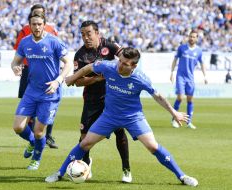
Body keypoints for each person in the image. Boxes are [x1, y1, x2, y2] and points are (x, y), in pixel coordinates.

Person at [45, 47, 198, 187]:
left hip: (133, 117)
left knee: (153, 146)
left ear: (134, 66)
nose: (120, 65)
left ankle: (182, 176)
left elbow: (157, 96)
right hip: (109, 116)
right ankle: (59, 173)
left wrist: (174, 113)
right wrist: (72, 78)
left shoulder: (140, 78)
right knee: (85, 143)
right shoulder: (109, 66)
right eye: (120, 61)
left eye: (125, 64)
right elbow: (89, 67)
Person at [72, 20, 131, 182]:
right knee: (84, 136)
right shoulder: (80, 55)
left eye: (89, 33)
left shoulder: (110, 46)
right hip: (91, 100)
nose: (86, 37)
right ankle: (85, 164)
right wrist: (97, 79)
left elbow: (125, 60)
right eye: (83, 34)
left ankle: (126, 169)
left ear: (97, 33)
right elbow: (77, 82)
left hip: (113, 98)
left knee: (120, 131)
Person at [11, 12, 71, 170]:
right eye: (34, 24)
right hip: (31, 91)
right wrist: (15, 68)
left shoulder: (54, 41)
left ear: (44, 25)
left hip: (50, 94)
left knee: (39, 132)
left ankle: (36, 158)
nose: (36, 27)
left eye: (39, 24)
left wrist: (58, 81)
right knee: (18, 127)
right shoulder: (25, 42)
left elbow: (68, 63)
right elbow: (15, 62)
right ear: (29, 25)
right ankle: (32, 143)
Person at [13, 4, 59, 149]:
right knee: (28, 107)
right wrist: (16, 66)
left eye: (41, 14)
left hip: (48, 74)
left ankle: (47, 136)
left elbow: (58, 52)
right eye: (35, 13)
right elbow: (18, 52)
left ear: (44, 19)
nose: (37, 26)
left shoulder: (51, 31)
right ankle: (33, 136)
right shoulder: (25, 31)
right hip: (28, 70)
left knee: (47, 109)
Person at [170, 30, 208, 129]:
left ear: (197, 39)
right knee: (180, 97)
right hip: (180, 77)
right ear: (188, 37)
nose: (191, 38)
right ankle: (174, 119)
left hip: (190, 78)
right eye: (190, 36)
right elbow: (175, 60)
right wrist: (172, 72)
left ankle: (189, 122)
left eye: (194, 37)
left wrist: (205, 76)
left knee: (190, 99)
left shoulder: (199, 51)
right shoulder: (182, 48)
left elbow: (202, 63)